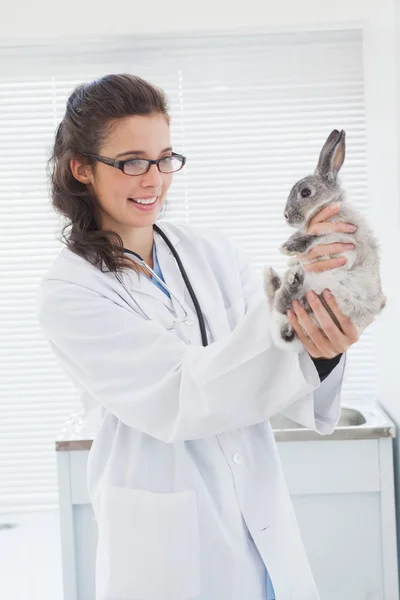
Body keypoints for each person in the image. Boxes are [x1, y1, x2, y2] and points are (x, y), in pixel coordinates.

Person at [36, 73, 363, 600]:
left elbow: (276, 366)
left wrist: (321, 335)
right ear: (81, 169)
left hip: (263, 530)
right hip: (171, 552)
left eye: (165, 158)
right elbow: (181, 394)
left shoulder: (210, 251)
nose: (154, 179)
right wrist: (292, 303)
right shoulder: (69, 294)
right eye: (132, 162)